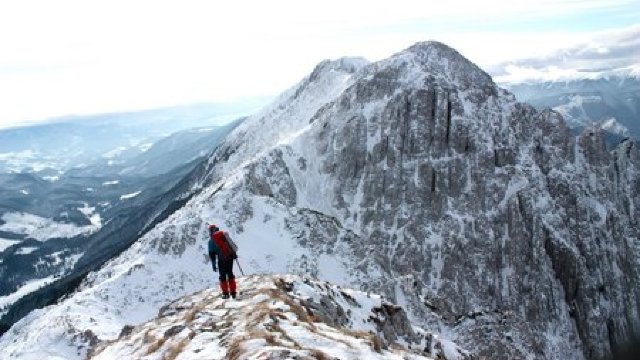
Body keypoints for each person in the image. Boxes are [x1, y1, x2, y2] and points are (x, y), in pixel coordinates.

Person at [207, 224, 237, 299]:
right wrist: (234, 254)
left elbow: (212, 255)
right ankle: (233, 293)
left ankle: (225, 294)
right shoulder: (223, 235)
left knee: (223, 277)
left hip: (221, 260)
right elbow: (231, 245)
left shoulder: (211, 241)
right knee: (230, 274)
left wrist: (214, 265)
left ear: (210, 231)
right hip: (230, 258)